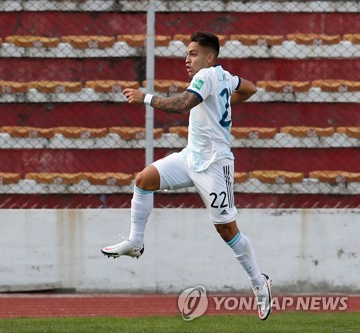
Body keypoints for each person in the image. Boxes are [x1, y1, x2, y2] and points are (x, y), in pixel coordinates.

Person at [101, 31, 273, 320]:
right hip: (190, 156)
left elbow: (182, 105)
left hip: (216, 165)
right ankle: (135, 242)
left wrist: (145, 97)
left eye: (193, 53)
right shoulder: (224, 76)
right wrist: (224, 103)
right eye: (187, 53)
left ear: (209, 56)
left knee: (227, 230)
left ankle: (259, 281)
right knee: (144, 180)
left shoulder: (205, 77)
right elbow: (251, 88)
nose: (187, 59)